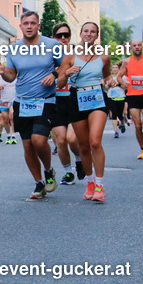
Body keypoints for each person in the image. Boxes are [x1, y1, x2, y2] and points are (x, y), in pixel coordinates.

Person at [0, 10, 63, 199]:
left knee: (39, 140)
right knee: (27, 145)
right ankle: (38, 183)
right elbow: (12, 75)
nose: (29, 26)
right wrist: (3, 72)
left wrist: (55, 74)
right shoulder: (15, 49)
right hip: (22, 102)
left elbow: (65, 64)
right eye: (25, 23)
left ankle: (49, 170)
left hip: (46, 100)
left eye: (32, 23)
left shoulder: (52, 45)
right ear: (20, 26)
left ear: (38, 26)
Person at [56, 21, 117, 202]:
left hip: (97, 97)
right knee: (83, 146)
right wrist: (66, 74)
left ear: (96, 36)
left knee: (95, 142)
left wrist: (111, 81)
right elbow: (59, 83)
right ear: (80, 34)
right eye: (86, 31)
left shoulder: (103, 57)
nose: (89, 34)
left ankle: (100, 185)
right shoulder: (70, 56)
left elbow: (107, 76)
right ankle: (90, 182)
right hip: (77, 98)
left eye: (92, 31)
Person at [49, 23, 82, 184]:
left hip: (73, 99)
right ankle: (68, 173)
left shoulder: (77, 55)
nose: (63, 38)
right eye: (59, 35)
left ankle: (78, 159)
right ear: (53, 37)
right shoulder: (46, 56)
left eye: (66, 35)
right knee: (61, 140)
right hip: (54, 101)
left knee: (72, 138)